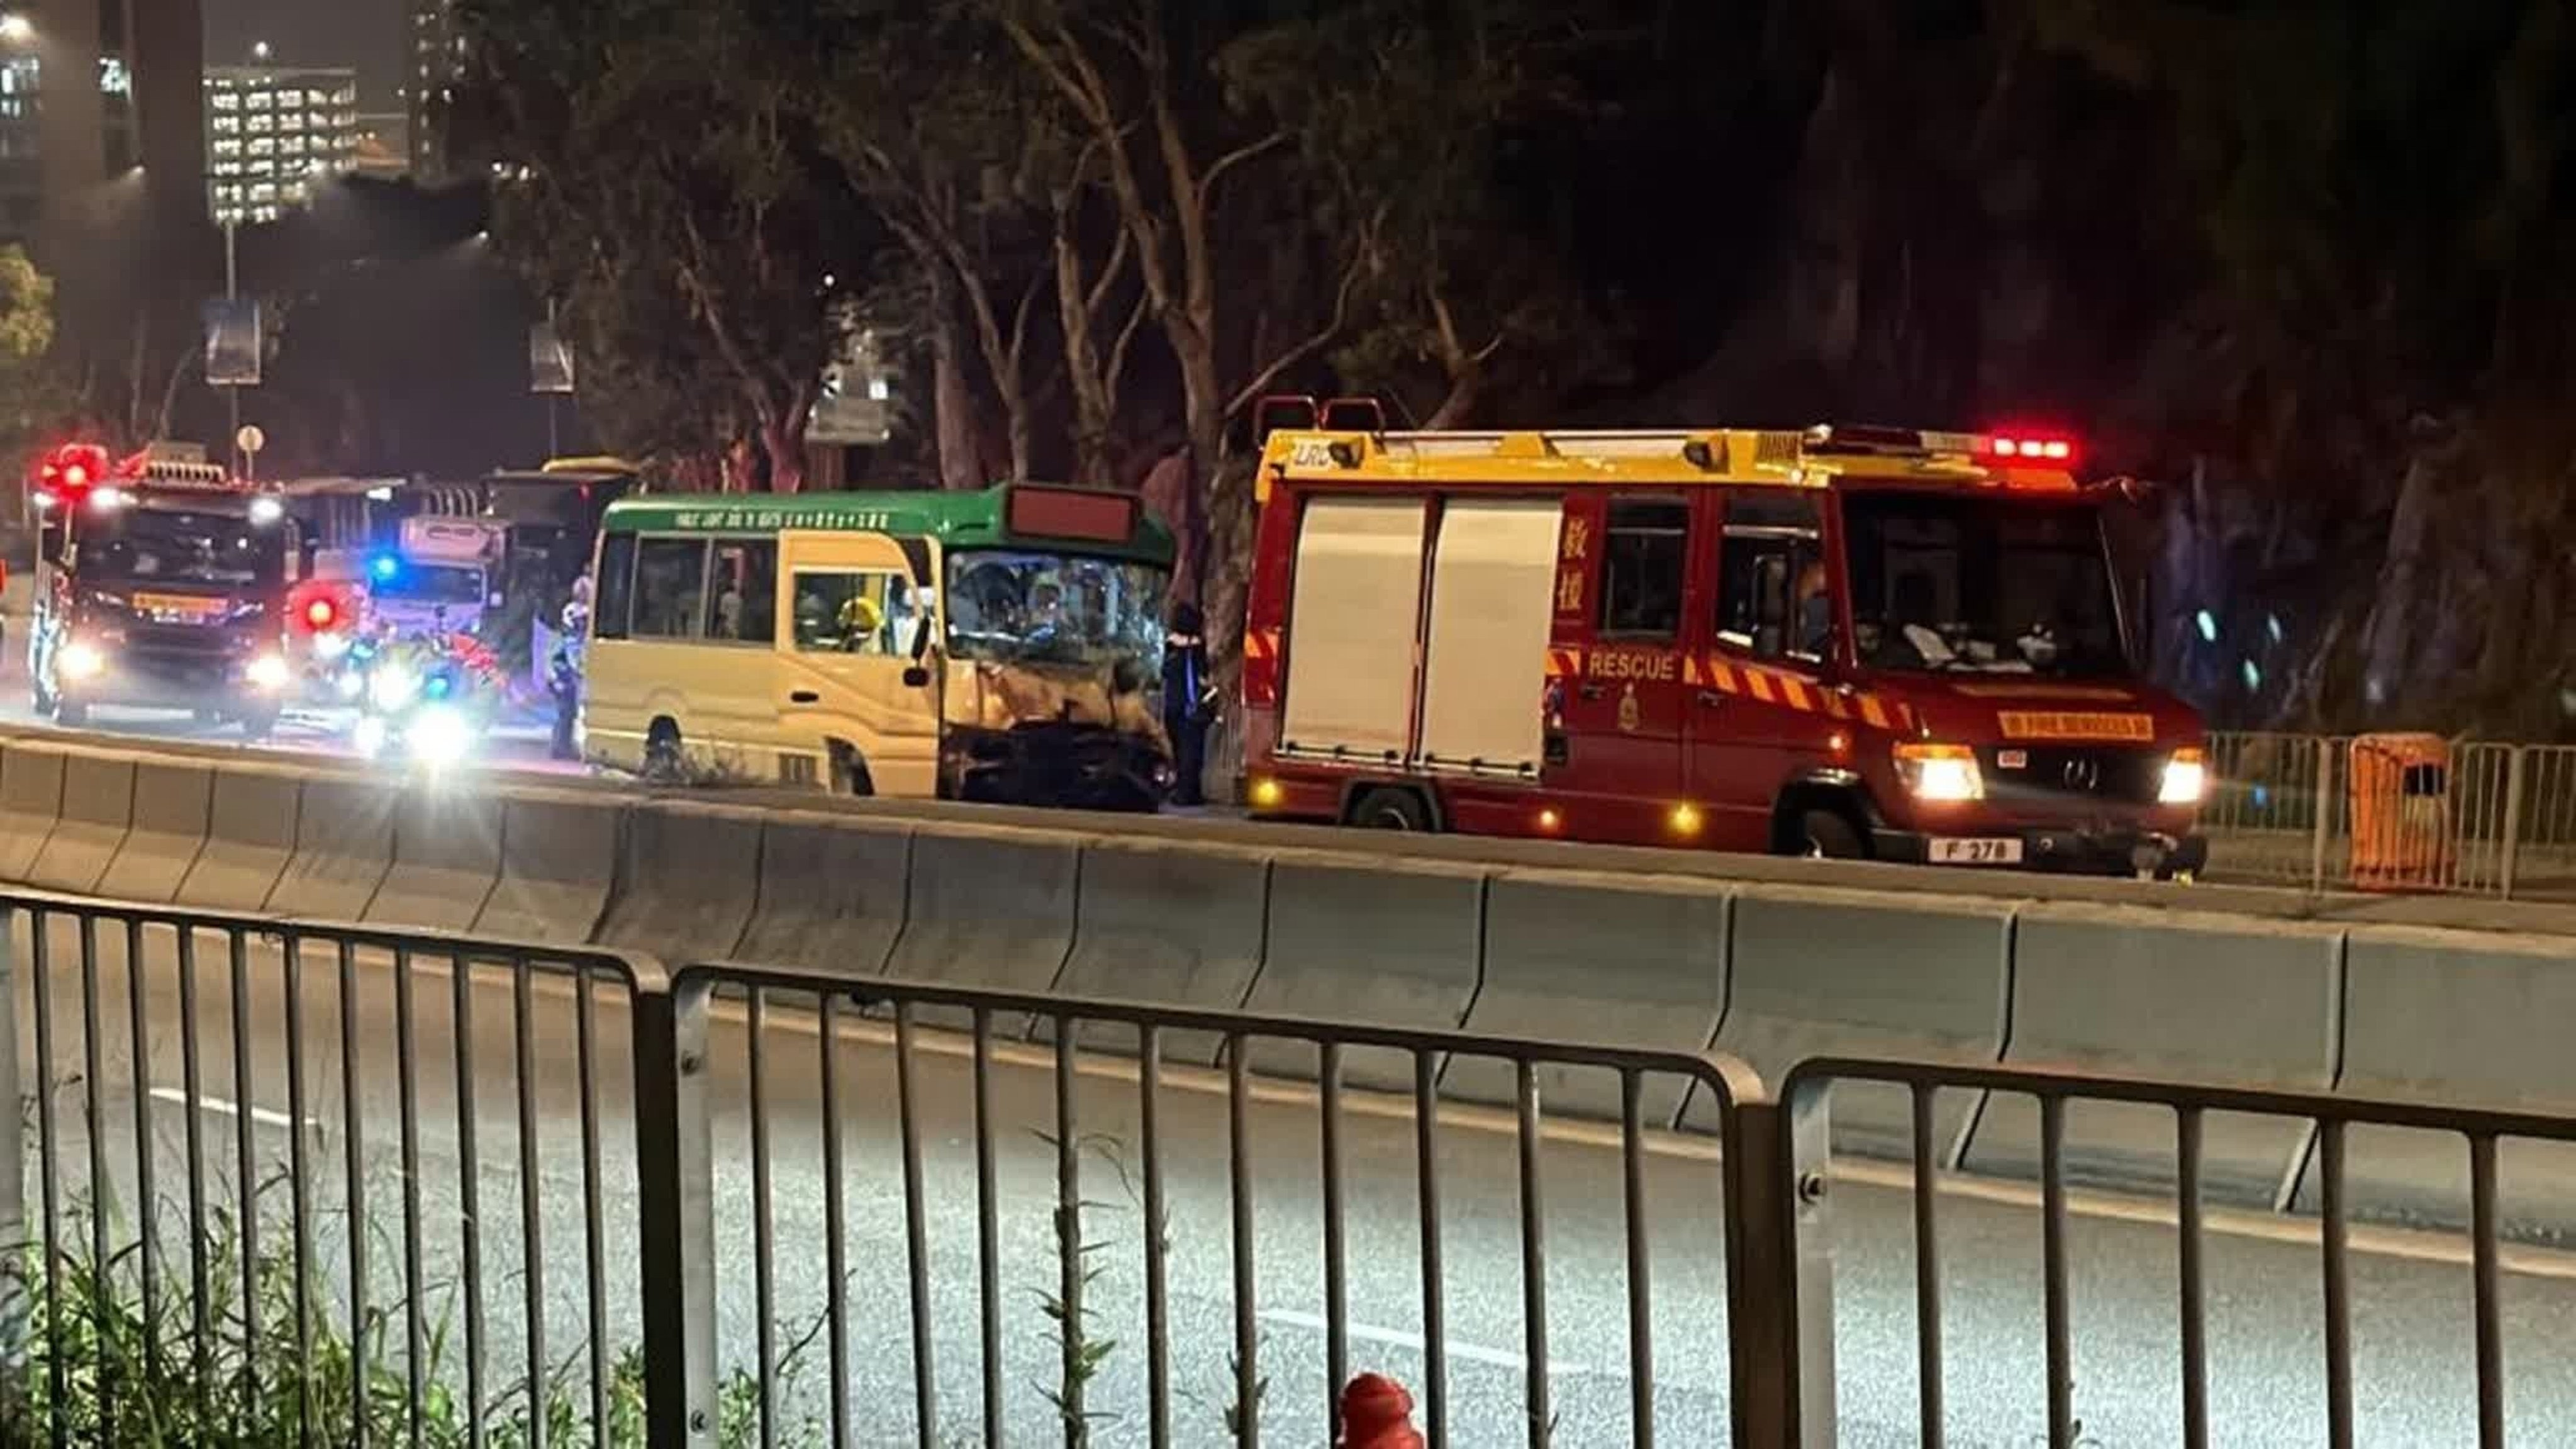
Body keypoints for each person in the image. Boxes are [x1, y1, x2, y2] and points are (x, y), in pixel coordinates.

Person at [1161, 602, 1212, 807]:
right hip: (1191, 707)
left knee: (1180, 750)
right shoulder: (1198, 648)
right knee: (1193, 752)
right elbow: (1204, 677)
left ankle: (1182, 791)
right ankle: (1190, 792)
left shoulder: (1170, 646)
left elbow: (1165, 674)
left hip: (1173, 705)